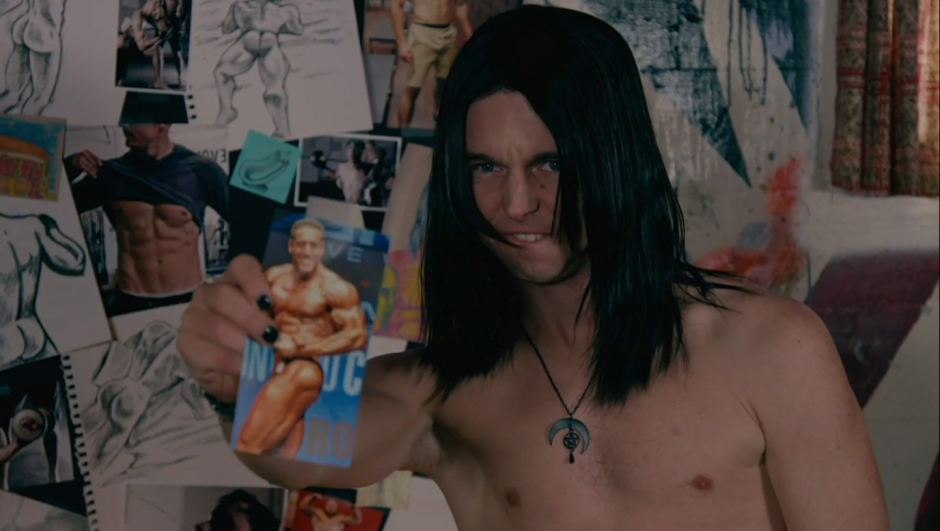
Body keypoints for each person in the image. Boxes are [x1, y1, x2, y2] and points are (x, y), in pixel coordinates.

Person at [179, 6, 890, 530]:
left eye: (550, 162)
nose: (518, 204)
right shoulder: (447, 385)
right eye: (486, 167)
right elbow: (301, 450)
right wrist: (232, 386)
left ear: (614, 160)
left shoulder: (773, 348)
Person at [65, 124, 230, 316]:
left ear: (162, 124)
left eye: (135, 119)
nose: (125, 126)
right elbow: (53, 208)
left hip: (188, 300)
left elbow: (249, 219)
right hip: (131, 301)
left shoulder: (201, 170)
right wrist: (70, 165)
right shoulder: (111, 173)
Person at [236, 218, 368, 458]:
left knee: (248, 444)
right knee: (273, 453)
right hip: (279, 365)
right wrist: (276, 338)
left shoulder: (335, 287)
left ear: (322, 249)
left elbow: (357, 336)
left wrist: (302, 349)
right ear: (291, 246)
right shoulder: (274, 277)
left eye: (313, 245)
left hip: (305, 369)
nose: (307, 252)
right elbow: (253, 315)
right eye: (301, 244)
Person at [0, 212, 86, 369]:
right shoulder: (31, 225)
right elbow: (76, 263)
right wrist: (49, 226)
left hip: (5, 345)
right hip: (34, 335)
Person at [213, 0, 308, 139]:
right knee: (273, 88)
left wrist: (245, 22)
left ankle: (227, 110)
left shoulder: (240, 7)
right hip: (263, 42)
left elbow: (226, 29)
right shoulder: (287, 10)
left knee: (222, 72)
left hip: (251, 42)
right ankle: (281, 130)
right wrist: (274, 25)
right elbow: (298, 30)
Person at [390, 0, 473, 127]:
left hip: (448, 33)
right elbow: (397, 5)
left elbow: (460, 4)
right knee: (412, 89)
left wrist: (469, 33)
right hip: (422, 33)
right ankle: (402, 133)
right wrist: (402, 42)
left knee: (445, 86)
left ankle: (440, 129)